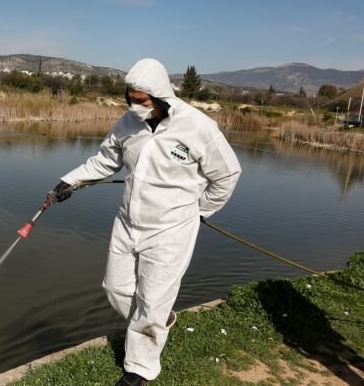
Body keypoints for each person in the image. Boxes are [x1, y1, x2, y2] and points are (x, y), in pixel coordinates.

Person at [52, 58, 241, 386]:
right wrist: (71, 180)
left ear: (161, 96)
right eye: (131, 99)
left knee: (152, 300)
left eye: (142, 101)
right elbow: (106, 160)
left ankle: (139, 370)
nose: (135, 106)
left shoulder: (197, 127)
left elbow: (226, 175)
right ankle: (159, 319)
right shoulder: (127, 125)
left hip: (171, 230)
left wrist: (198, 211)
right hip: (127, 222)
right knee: (115, 288)